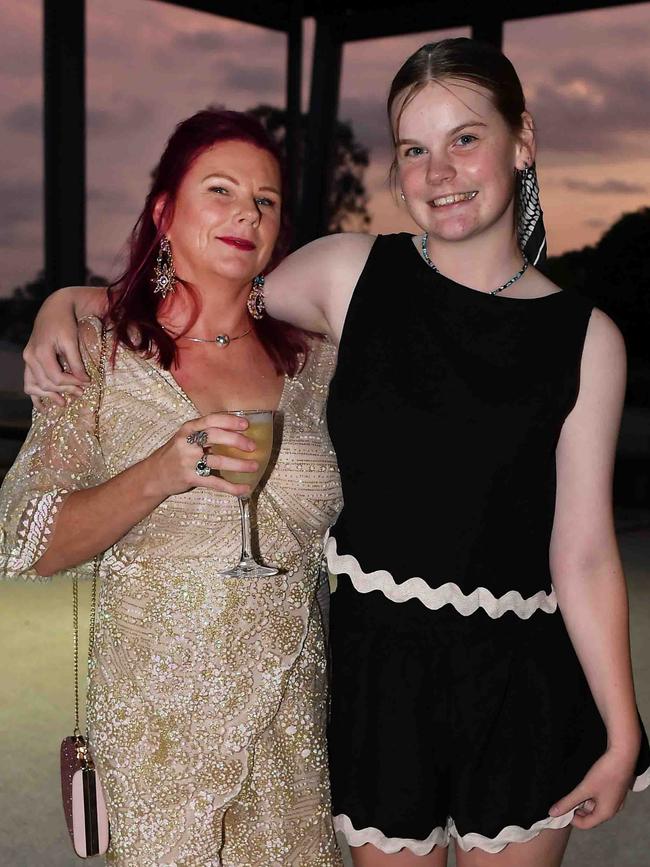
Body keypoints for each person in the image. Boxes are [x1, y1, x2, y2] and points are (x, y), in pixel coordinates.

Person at [21, 38, 650, 867]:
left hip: (522, 683)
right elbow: (201, 294)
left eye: (465, 138)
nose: (440, 171)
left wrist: (622, 728)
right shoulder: (348, 274)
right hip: (373, 679)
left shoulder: (588, 340)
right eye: (414, 149)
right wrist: (69, 302)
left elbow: (585, 552)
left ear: (521, 140)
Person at [0, 108, 344, 866]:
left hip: (289, 718)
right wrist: (158, 473)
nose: (245, 214)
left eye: (266, 200)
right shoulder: (95, 356)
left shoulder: (316, 361)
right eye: (219, 190)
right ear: (165, 210)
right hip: (158, 723)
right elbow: (29, 541)